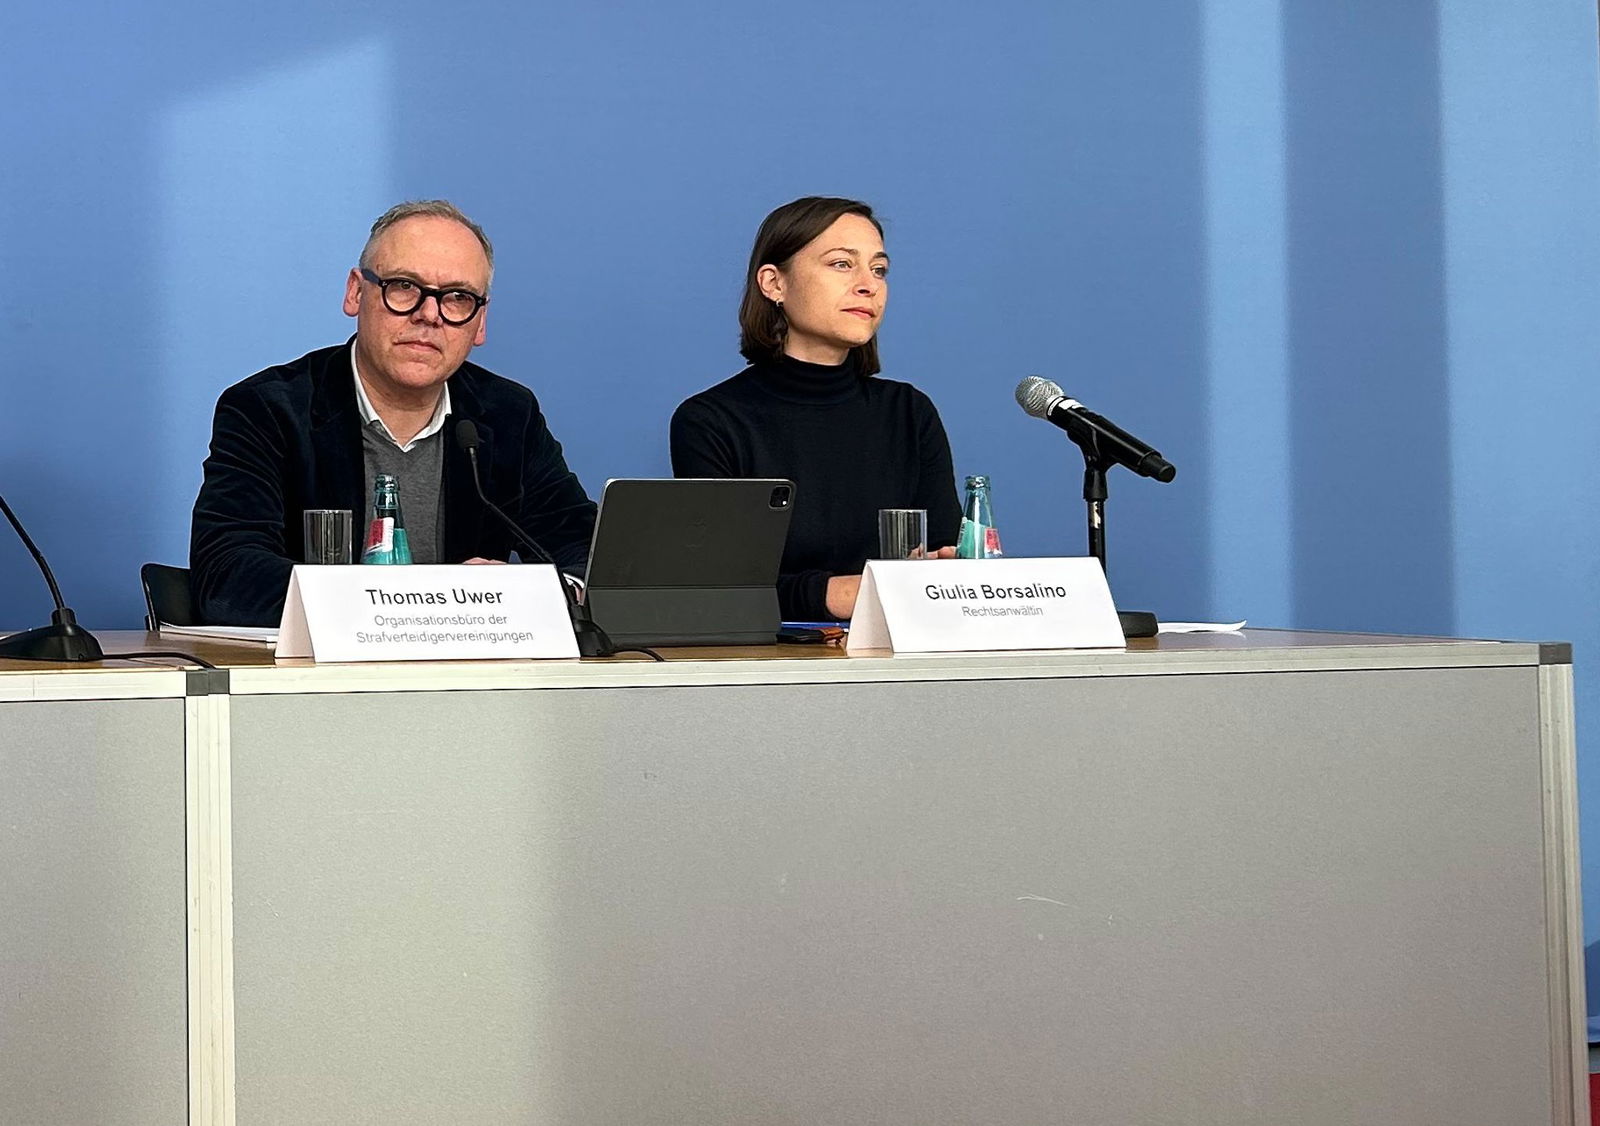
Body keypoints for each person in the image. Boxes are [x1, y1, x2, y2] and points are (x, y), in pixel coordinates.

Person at [190, 200, 596, 625]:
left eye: (457, 298)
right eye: (403, 286)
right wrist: (431, 601)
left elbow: (585, 553)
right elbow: (228, 575)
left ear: (479, 323)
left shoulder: (508, 414)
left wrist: (532, 593)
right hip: (320, 684)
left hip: (475, 682)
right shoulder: (268, 409)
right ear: (355, 292)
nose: (428, 314)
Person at [670, 196, 960, 621]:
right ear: (774, 284)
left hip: (902, 653)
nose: (868, 284)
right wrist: (837, 593)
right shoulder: (711, 421)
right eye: (842, 264)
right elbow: (723, 587)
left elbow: (944, 561)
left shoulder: (909, 413)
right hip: (773, 663)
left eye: (879, 269)